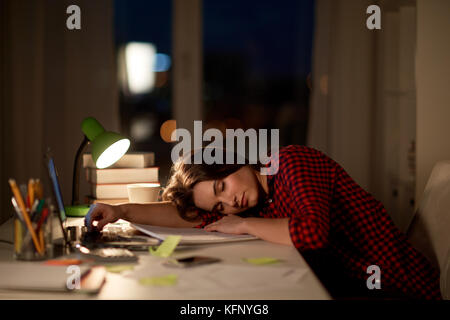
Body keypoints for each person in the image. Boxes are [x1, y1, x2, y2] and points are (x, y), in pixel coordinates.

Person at [87, 145, 441, 300]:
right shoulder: (259, 201)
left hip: (401, 288)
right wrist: (123, 211)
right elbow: (191, 216)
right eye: (220, 205)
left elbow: (312, 233)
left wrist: (242, 227)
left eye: (223, 186)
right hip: (354, 284)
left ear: (234, 162)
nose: (230, 203)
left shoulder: (290, 163)